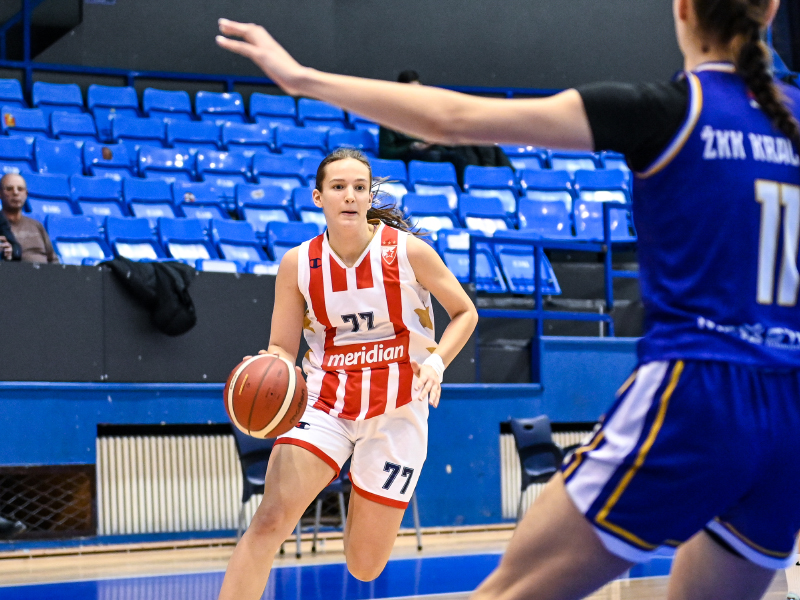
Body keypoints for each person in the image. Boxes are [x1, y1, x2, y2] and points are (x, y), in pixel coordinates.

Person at [216, 0, 800, 597]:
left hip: (699, 391)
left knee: (499, 587)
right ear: (771, 9)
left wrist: (302, 79)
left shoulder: (671, 111)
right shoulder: (793, 116)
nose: (350, 195)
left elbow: (451, 119)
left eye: (359, 186)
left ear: (683, 9)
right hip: (789, 408)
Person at [216, 148, 477, 599]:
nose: (350, 196)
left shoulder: (408, 252)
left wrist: (437, 362)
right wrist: (270, 366)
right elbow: (283, 346)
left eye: (359, 187)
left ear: (369, 196)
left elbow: (465, 312)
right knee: (270, 521)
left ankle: (364, 479)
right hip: (324, 402)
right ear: (319, 197)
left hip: (397, 408)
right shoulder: (299, 263)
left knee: (364, 566)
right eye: (338, 187)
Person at [378, 70, 512, 186]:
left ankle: (495, 176)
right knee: (452, 157)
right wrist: (412, 147)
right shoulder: (389, 119)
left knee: (477, 140)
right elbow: (386, 152)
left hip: (436, 148)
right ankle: (469, 186)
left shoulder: (425, 114)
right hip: (414, 155)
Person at [0, 173, 59, 264]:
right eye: (9, 189)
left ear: (26, 194)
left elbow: (53, 260)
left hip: (45, 272)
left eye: (20, 189)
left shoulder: (36, 225)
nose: (15, 193)